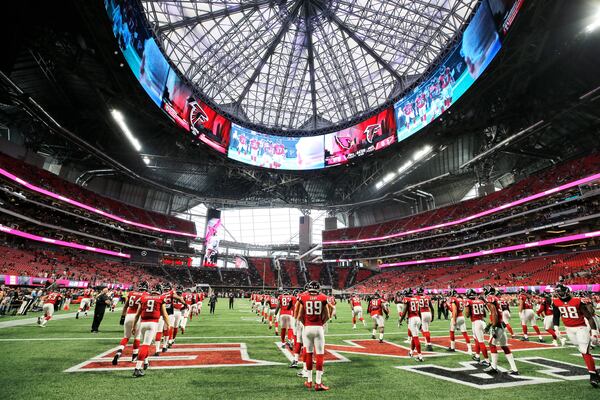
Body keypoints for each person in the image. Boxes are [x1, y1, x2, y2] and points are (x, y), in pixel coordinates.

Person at [552, 284, 599, 387]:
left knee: (584, 350)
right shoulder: (556, 302)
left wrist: (594, 332)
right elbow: (556, 316)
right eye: (558, 292)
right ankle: (595, 371)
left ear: (567, 291)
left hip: (581, 328)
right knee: (582, 350)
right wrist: (556, 328)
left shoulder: (577, 301)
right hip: (569, 329)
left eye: (561, 291)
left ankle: (592, 376)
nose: (560, 294)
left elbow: (589, 316)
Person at [131, 284, 172, 377]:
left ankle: (145, 362)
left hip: (142, 323)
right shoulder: (161, 298)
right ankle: (137, 369)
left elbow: (137, 314)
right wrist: (168, 325)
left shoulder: (144, 297)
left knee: (144, 344)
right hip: (152, 324)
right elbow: (165, 314)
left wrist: (134, 326)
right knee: (145, 346)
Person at [297, 281, 330, 391]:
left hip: (307, 328)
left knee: (309, 354)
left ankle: (309, 381)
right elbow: (328, 315)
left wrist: (305, 323)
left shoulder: (303, 297)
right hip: (318, 328)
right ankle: (318, 383)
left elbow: (300, 315)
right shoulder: (323, 297)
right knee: (319, 355)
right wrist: (321, 322)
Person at [483, 286, 519, 375]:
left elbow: (494, 313)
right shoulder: (495, 298)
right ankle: (514, 369)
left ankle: (494, 367)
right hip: (502, 324)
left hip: (498, 325)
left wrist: (492, 326)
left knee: (492, 344)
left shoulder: (490, 298)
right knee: (504, 346)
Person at [113, 282, 148, 364]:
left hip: (128, 316)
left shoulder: (131, 293)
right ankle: (134, 357)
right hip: (137, 317)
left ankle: (119, 351)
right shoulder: (146, 294)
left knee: (126, 337)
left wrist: (122, 316)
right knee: (137, 337)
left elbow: (125, 306)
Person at [464, 289, 490, 366]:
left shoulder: (469, 301)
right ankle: (477, 356)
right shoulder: (481, 301)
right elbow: (485, 314)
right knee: (476, 339)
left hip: (476, 322)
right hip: (482, 321)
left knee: (481, 341)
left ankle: (487, 361)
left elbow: (467, 315)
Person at [399, 288, 424, 361]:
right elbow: (419, 311)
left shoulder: (407, 299)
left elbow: (404, 311)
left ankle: (420, 356)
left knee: (415, 337)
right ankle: (411, 352)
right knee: (414, 336)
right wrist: (421, 321)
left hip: (412, 319)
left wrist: (400, 320)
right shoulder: (416, 299)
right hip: (418, 318)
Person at [447, 290, 472, 354]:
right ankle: (469, 349)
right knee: (465, 333)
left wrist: (454, 319)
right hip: (462, 317)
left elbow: (454, 310)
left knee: (452, 332)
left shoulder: (453, 299)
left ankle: (452, 347)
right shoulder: (460, 299)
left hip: (457, 317)